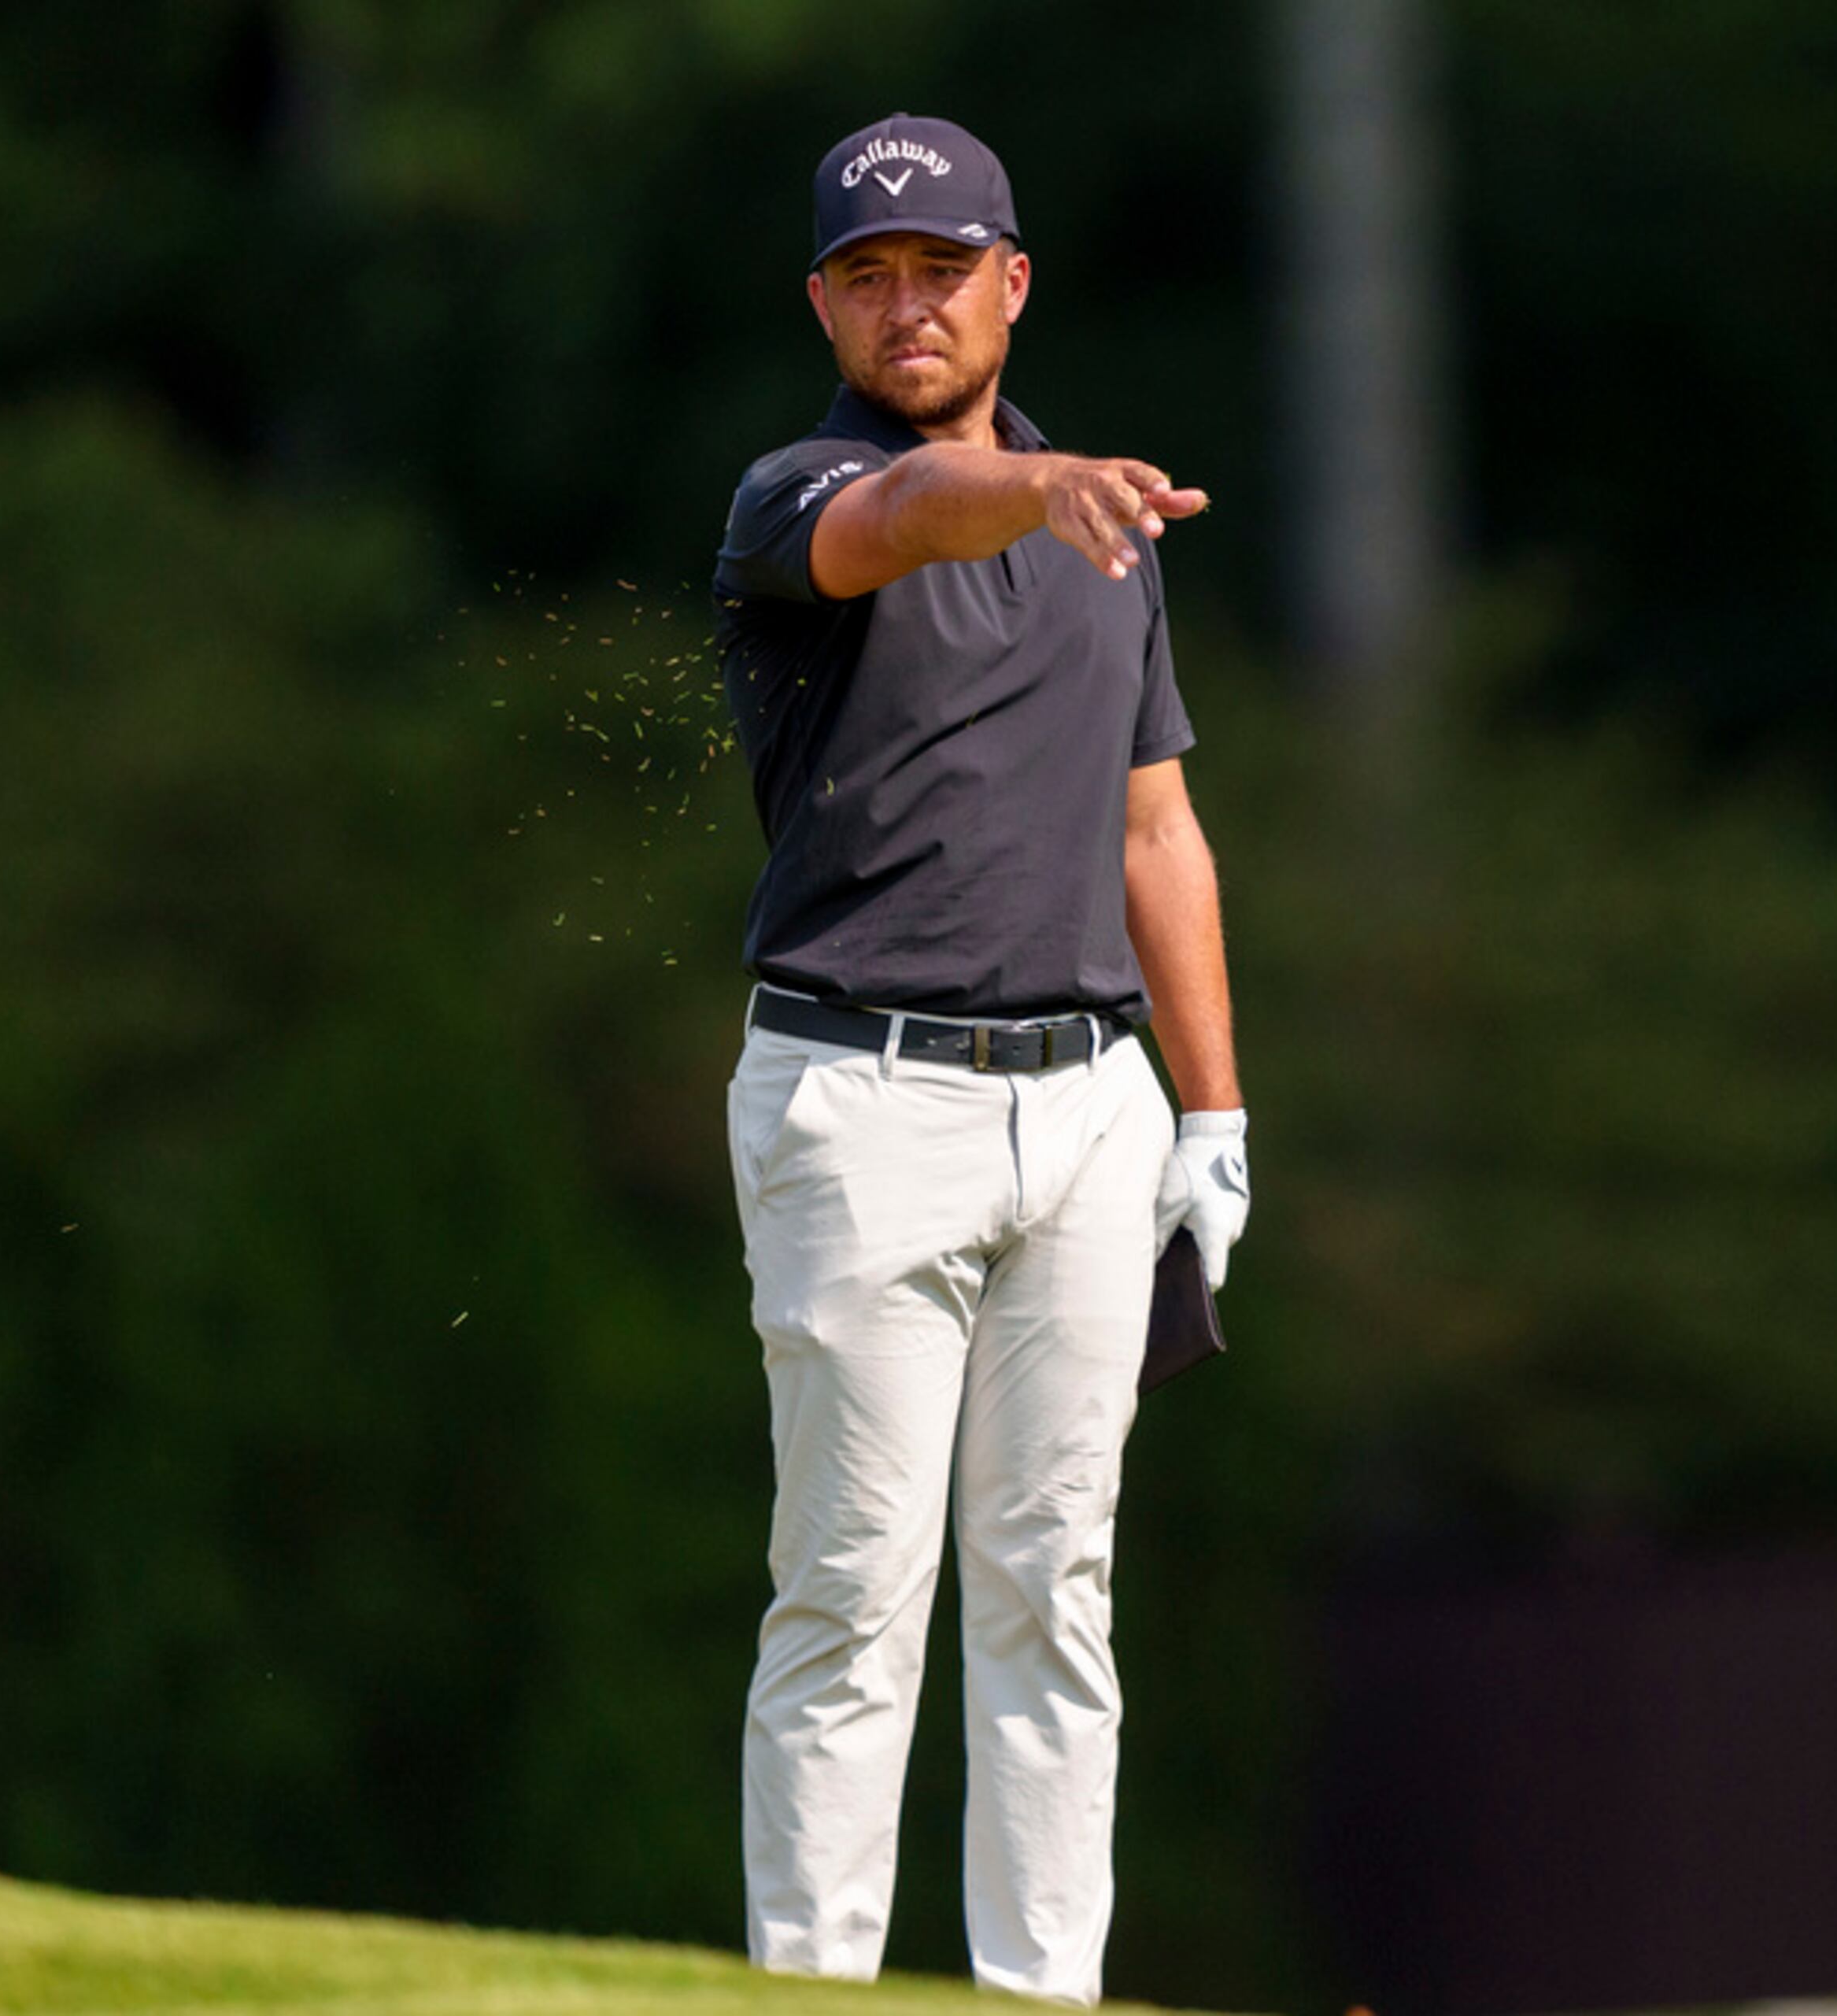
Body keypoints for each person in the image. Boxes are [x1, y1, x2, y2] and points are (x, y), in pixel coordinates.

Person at [710, 113, 1251, 2005]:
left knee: (1053, 1603)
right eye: (869, 276)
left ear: (1012, 285)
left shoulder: (1102, 525)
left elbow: (1155, 832)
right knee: (853, 1599)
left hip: (1090, 1115)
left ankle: (1043, 1996)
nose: (908, 304)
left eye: (943, 270)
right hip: (864, 1102)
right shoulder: (801, 492)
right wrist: (1036, 490)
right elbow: (896, 525)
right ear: (825, 309)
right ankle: (813, 1990)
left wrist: (1216, 1113)